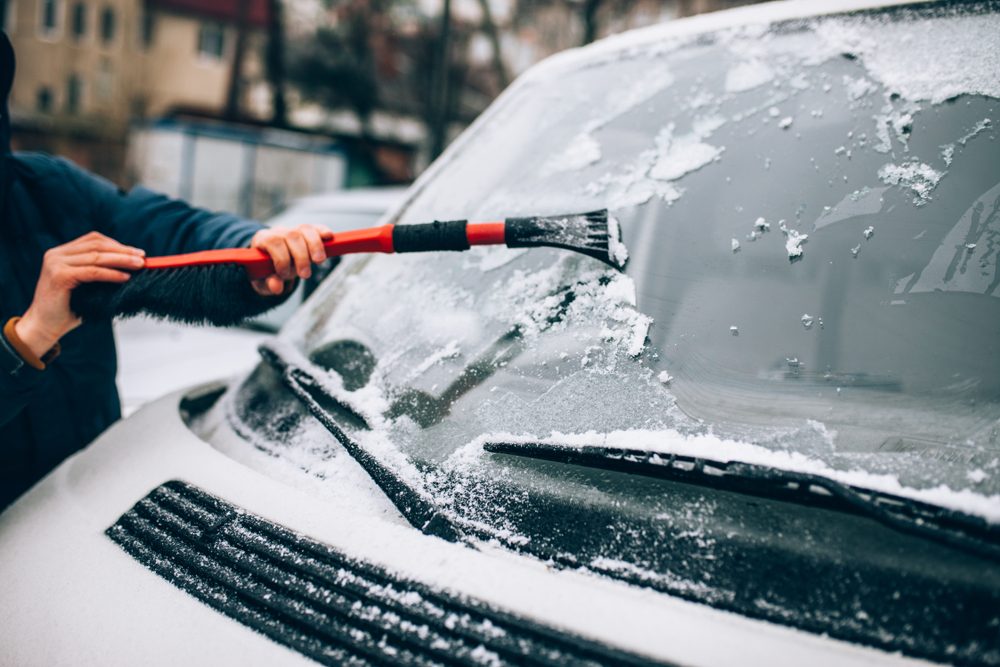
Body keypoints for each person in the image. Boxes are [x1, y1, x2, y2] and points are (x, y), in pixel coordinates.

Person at [0, 33, 333, 510]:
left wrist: (251, 250)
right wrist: (28, 337)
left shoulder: (51, 189)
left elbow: (170, 229)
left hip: (84, 506)